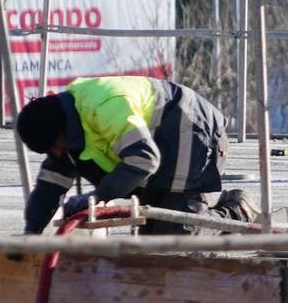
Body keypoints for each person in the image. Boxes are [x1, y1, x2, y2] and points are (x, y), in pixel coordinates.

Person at [16, 75, 258, 235]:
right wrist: (31, 234)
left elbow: (144, 158)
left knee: (176, 240)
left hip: (192, 136)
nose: (57, 153)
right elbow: (51, 184)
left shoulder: (105, 108)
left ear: (60, 130)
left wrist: (98, 195)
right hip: (162, 147)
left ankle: (238, 210)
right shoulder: (66, 125)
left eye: (54, 146)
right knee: (151, 243)